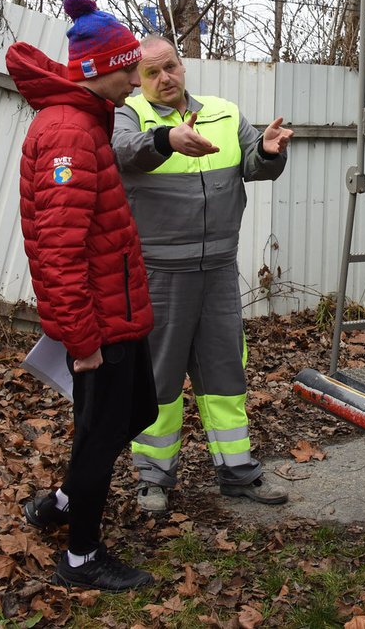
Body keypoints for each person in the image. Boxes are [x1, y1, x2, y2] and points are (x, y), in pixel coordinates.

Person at [6, 0, 159, 592]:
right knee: (99, 437)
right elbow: (58, 249)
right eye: (130, 71)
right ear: (101, 71)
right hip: (99, 320)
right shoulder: (69, 135)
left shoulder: (86, 122)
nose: (136, 81)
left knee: (139, 411)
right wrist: (81, 338)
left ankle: (64, 501)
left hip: (120, 311)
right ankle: (80, 558)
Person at [111, 35, 293, 512]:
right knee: (159, 378)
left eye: (170, 66)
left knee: (226, 373)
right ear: (139, 79)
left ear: (182, 65)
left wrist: (271, 153)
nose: (165, 77)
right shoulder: (131, 116)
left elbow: (257, 162)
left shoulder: (224, 112)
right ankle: (153, 477)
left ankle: (236, 472)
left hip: (218, 271)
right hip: (160, 275)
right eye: (152, 73)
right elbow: (124, 153)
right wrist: (167, 138)